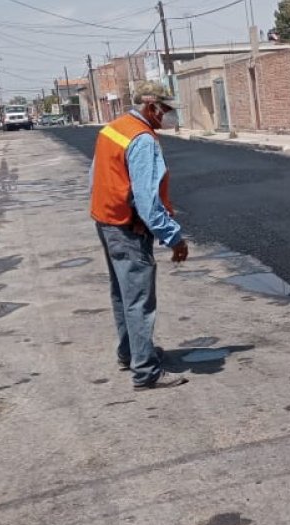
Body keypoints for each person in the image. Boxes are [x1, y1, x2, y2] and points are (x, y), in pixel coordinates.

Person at [89, 81, 189, 390]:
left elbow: (94, 178)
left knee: (122, 293)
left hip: (106, 220)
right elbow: (147, 201)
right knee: (139, 300)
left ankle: (130, 352)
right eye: (166, 108)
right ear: (151, 106)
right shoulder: (142, 139)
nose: (169, 115)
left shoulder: (113, 128)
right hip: (128, 228)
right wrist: (174, 237)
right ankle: (146, 371)